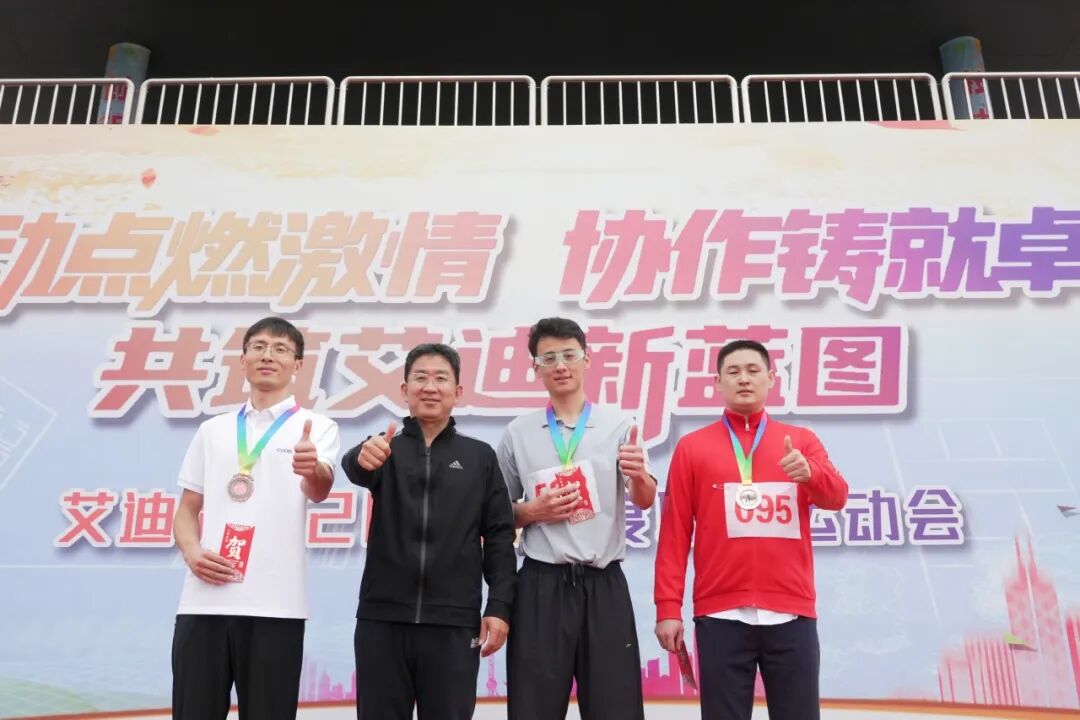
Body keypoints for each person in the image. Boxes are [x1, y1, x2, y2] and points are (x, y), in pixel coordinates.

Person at [654, 339, 849, 720]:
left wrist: (811, 474)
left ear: (771, 378)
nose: (743, 379)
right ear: (717, 382)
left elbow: (837, 497)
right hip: (720, 614)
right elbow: (675, 534)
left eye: (753, 370)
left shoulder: (801, 442)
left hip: (791, 612)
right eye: (733, 371)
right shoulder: (692, 448)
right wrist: (668, 608)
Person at [171, 316, 340, 720]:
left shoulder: (317, 427)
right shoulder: (213, 430)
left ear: (298, 365)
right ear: (243, 359)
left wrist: (312, 468)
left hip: (276, 607)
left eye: (281, 349)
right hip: (204, 602)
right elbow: (186, 510)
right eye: (259, 347)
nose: (268, 356)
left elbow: (319, 488)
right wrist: (193, 553)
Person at [341, 343, 517, 720]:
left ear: (457, 391)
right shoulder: (384, 448)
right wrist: (360, 456)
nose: (430, 387)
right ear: (405, 390)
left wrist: (500, 607)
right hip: (382, 620)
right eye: (420, 378)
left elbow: (500, 537)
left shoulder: (479, 457)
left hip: (454, 623)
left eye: (441, 379)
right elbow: (355, 466)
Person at [497, 317, 656, 720]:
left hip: (603, 584)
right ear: (536, 368)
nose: (560, 366)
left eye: (569, 355)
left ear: (587, 359)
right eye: (548, 358)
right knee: (533, 708)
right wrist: (532, 512)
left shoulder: (621, 426)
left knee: (615, 708)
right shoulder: (518, 432)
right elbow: (495, 513)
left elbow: (644, 500)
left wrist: (639, 475)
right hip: (541, 585)